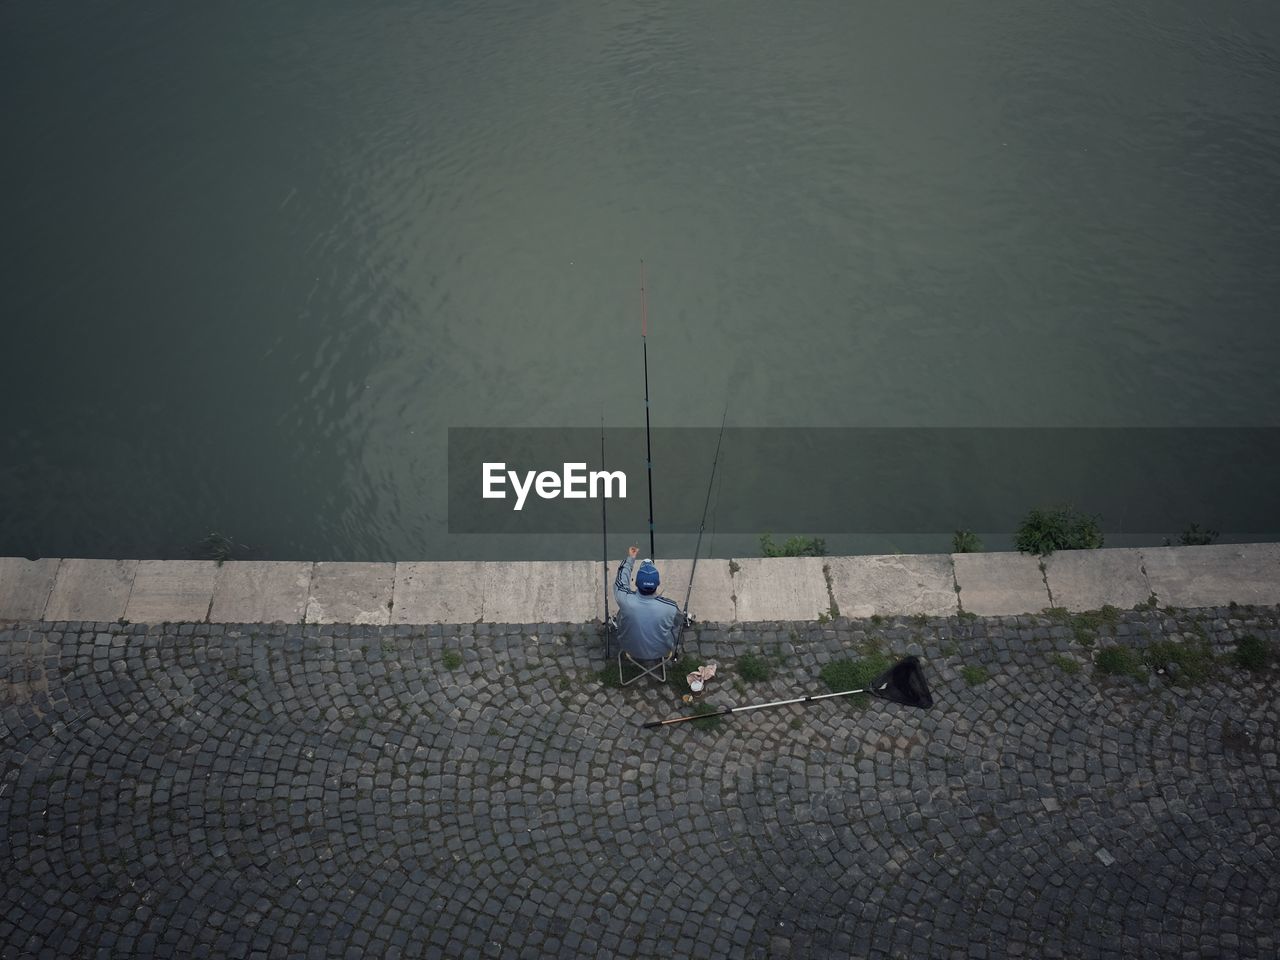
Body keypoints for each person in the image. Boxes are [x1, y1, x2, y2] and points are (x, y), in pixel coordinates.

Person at [613, 545, 682, 662]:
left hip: (629, 649)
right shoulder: (671, 607)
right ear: (658, 584)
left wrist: (631, 558)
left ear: (636, 584)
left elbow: (621, 579)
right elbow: (677, 623)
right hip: (662, 651)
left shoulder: (624, 599)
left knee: (621, 614)